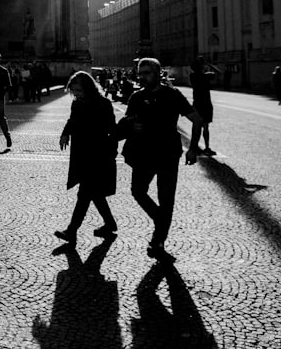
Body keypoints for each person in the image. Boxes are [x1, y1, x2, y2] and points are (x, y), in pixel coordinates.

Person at [121, 57, 206, 262]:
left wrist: (193, 149)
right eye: (140, 73)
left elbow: (197, 120)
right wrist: (131, 126)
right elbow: (126, 122)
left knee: (166, 199)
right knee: (138, 192)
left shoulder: (172, 95)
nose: (142, 77)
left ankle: (158, 241)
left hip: (168, 153)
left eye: (147, 73)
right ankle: (161, 220)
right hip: (142, 153)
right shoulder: (136, 97)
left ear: (158, 73)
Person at [54, 71, 118, 244]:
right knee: (95, 193)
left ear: (88, 89)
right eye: (73, 90)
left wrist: (112, 152)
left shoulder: (103, 104)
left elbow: (112, 129)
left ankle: (72, 231)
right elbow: (72, 120)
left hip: (99, 154)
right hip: (82, 154)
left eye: (79, 90)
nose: (76, 94)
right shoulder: (77, 104)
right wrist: (65, 133)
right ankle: (110, 224)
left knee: (85, 193)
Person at [188, 57, 217, 155]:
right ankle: (207, 147)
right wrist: (208, 63)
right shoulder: (206, 76)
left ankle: (194, 146)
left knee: (196, 126)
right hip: (206, 103)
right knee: (205, 127)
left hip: (197, 103)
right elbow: (218, 72)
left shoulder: (192, 76)